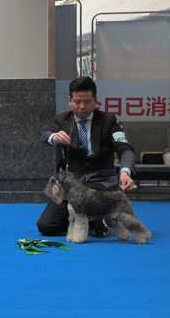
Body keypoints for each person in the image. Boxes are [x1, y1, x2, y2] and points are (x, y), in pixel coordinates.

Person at [37, 75, 136, 237]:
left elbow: (125, 149)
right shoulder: (62, 120)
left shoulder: (109, 121)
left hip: (102, 184)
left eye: (87, 101)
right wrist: (53, 137)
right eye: (77, 102)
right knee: (46, 226)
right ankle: (94, 220)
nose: (82, 106)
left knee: (91, 198)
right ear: (70, 100)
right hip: (73, 186)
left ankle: (98, 218)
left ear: (95, 100)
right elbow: (45, 136)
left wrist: (125, 171)